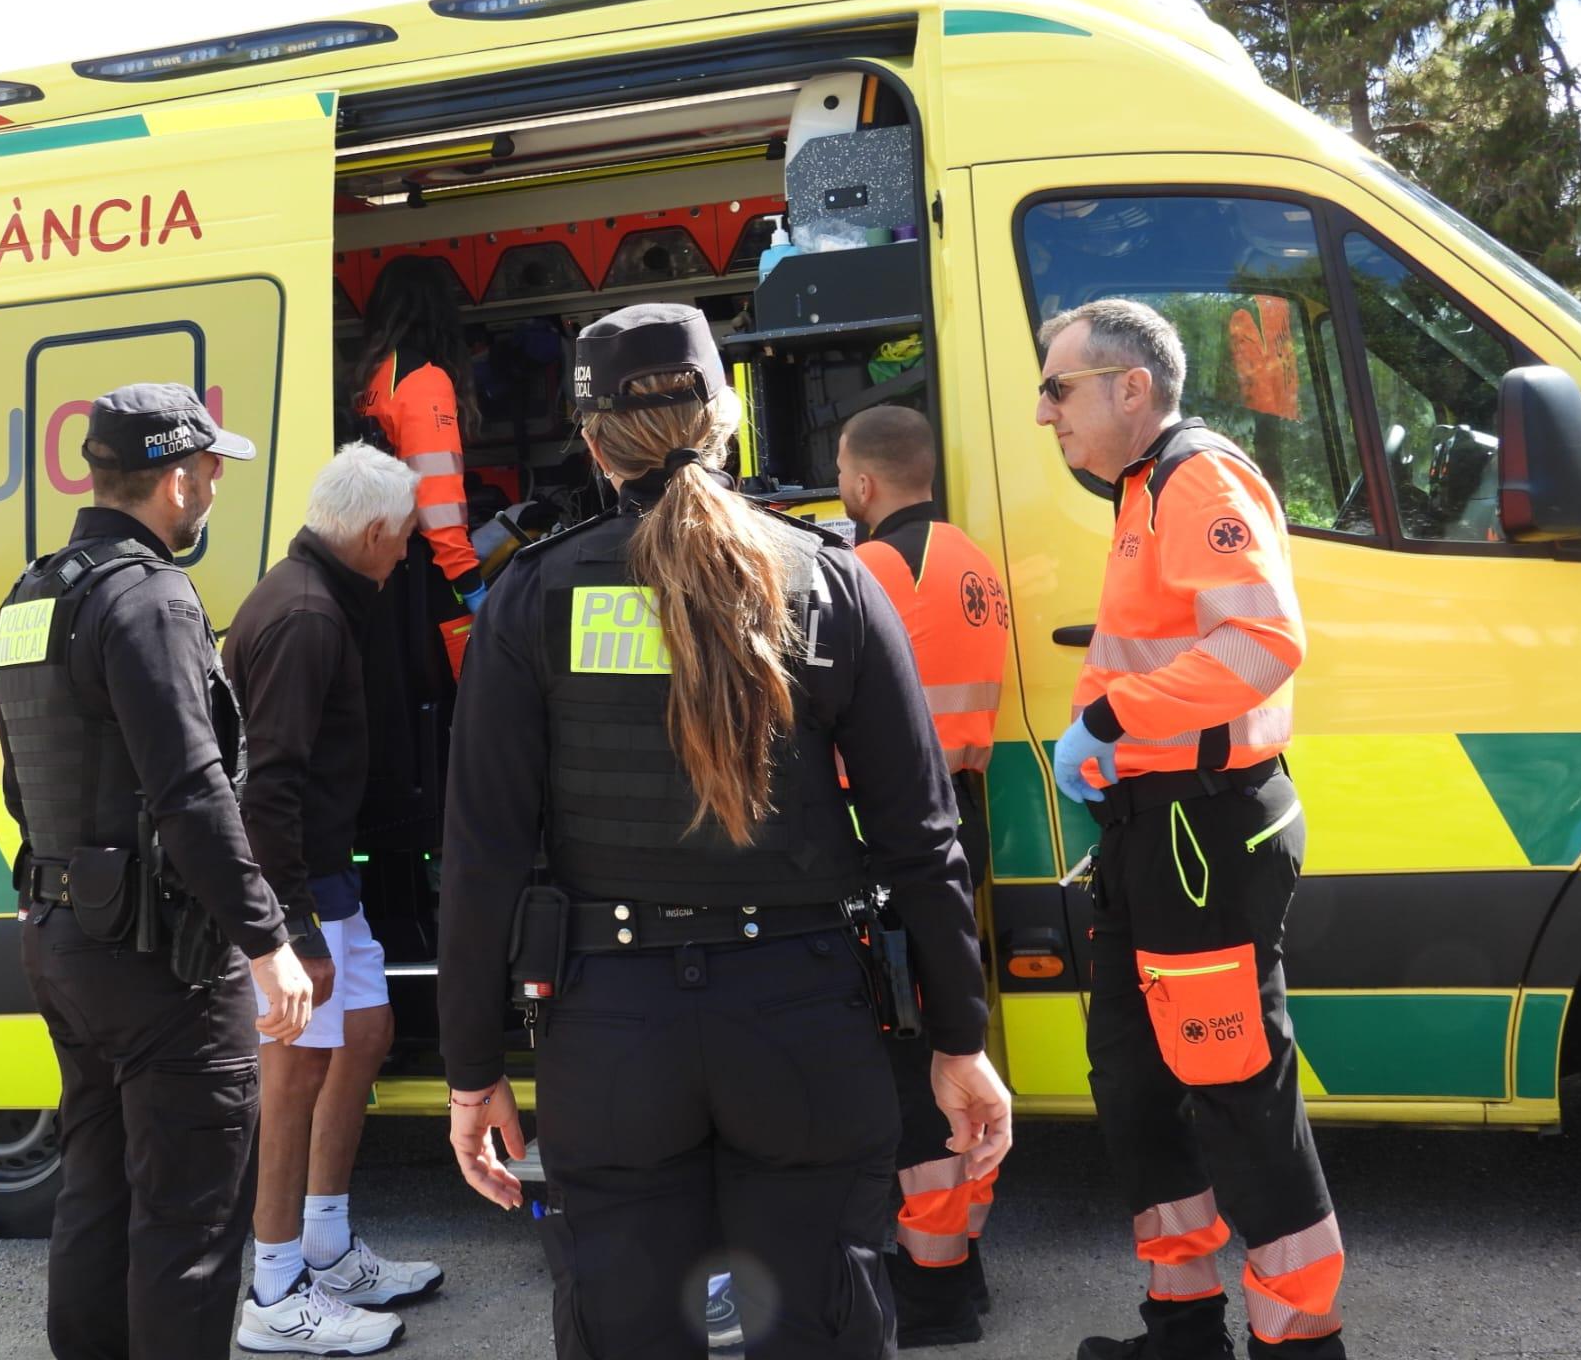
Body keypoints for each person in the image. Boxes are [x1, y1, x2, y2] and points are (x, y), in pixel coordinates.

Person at [438, 303, 1012, 1360]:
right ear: (729, 416)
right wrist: (959, 1042)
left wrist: (471, 1070)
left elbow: (479, 855)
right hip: (799, 1018)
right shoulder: (829, 578)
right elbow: (919, 839)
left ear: (590, 437)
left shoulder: (527, 596)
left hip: (608, 1029)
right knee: (819, 1328)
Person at [1035, 301, 1345, 1360]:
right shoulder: (1141, 487)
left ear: (1129, 387)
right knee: (1134, 1083)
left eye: (1057, 387)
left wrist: (1111, 722)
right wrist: (1107, 746)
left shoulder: (1192, 477)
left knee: (1228, 1093)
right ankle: (1180, 1328)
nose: (1042, 413)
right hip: (1148, 828)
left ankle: (1299, 1343)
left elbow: (1262, 640)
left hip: (1199, 833)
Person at [0, 383, 315, 1360]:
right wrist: (267, 943)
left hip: (62, 941)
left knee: (96, 1190)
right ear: (176, 480)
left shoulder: (32, 594)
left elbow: (21, 781)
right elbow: (191, 792)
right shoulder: (152, 597)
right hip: (162, 960)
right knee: (190, 1226)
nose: (217, 481)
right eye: (212, 466)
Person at [222, 443, 443, 1355]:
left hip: (324, 875)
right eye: (404, 540)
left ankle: (325, 1243)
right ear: (373, 532)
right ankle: (275, 1294)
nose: (408, 556)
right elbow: (266, 790)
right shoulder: (309, 617)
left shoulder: (315, 597)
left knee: (366, 1033)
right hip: (300, 887)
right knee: (295, 1073)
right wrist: (294, 932)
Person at [837, 404, 1010, 1347]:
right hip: (958, 823)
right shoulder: (975, 558)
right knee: (960, 1034)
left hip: (884, 837)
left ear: (861, 483)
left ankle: (936, 1289)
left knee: (913, 1065)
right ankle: (966, 1259)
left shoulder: (867, 570)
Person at [351, 255, 487, 615]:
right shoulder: (424, 381)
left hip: (379, 567)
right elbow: (436, 499)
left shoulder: (373, 378)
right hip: (424, 575)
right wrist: (469, 582)